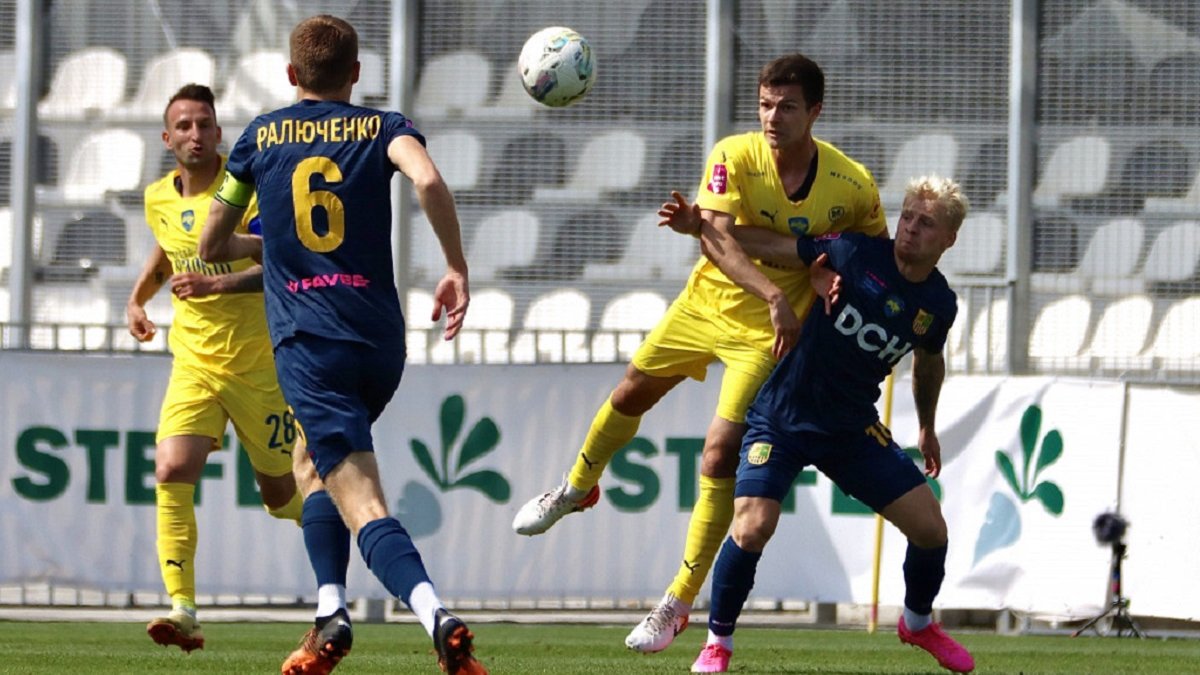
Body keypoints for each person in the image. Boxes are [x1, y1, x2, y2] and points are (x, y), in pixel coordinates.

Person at [510, 53, 887, 653]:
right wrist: (777, 285)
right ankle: (577, 487)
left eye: (787, 107)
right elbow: (717, 239)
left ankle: (677, 602)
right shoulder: (734, 154)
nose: (773, 117)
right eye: (765, 104)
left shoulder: (852, 185)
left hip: (766, 337)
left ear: (815, 111)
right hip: (706, 305)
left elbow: (874, 254)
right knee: (629, 393)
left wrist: (834, 273)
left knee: (718, 455)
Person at [197, 15, 486, 675]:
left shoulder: (260, 137)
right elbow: (428, 181)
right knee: (312, 462)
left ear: (291, 74)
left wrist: (266, 243)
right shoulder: (384, 127)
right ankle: (330, 609)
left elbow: (211, 243)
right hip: (379, 340)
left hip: (311, 341)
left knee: (363, 500)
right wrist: (455, 266)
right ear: (356, 73)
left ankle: (437, 617)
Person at [658, 175, 975, 674]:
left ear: (949, 239)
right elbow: (778, 246)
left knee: (931, 529)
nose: (911, 228)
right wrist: (704, 226)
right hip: (782, 418)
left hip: (851, 431)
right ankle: (717, 642)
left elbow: (929, 361)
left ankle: (916, 623)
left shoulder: (939, 304)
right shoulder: (854, 252)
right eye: (908, 216)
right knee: (753, 526)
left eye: (926, 223)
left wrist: (927, 427)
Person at [127, 83, 303, 653]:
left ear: (219, 133)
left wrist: (216, 284)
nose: (195, 134)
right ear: (167, 138)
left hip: (257, 366)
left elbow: (281, 261)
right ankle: (183, 610)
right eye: (183, 126)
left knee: (281, 498)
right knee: (172, 468)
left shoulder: (244, 189)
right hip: (194, 363)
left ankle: (347, 523)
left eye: (204, 124)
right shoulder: (157, 197)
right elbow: (167, 248)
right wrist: (137, 299)